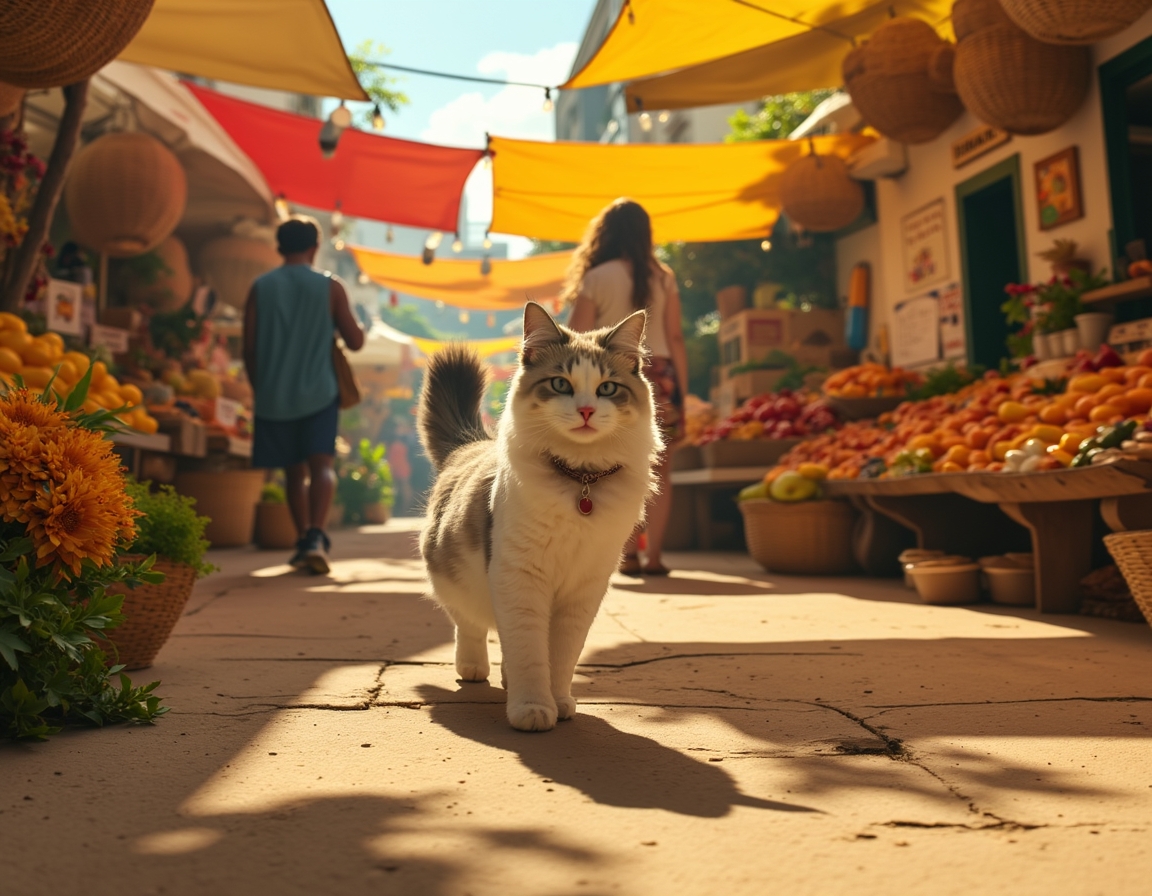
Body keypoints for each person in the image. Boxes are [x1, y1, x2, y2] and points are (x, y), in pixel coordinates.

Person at [565, 198, 689, 576]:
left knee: (612, 466)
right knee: (659, 469)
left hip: (607, 379)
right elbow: (676, 336)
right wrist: (683, 387)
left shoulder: (598, 276)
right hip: (660, 375)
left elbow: (576, 336)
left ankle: (628, 553)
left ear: (605, 234)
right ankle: (655, 556)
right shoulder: (663, 276)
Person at [243, 216, 365, 574]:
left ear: (280, 247)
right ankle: (316, 535)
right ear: (315, 247)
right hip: (320, 391)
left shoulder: (261, 287)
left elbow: (248, 348)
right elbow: (355, 341)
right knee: (321, 466)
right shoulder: (330, 286)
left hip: (274, 394)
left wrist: (260, 386)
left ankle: (302, 541)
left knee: (292, 472)